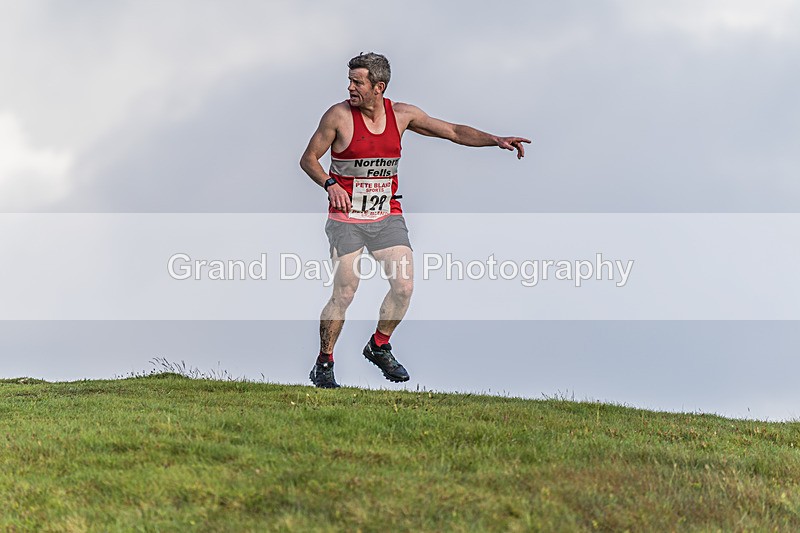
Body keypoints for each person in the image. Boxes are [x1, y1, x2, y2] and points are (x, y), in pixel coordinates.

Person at [300, 52, 530, 388]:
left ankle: (379, 346)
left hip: (386, 214)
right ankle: (324, 362)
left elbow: (452, 130)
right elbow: (308, 159)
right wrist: (329, 183)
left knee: (404, 286)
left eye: (357, 82)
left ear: (378, 87)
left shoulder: (403, 115)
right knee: (346, 291)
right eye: (349, 80)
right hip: (345, 217)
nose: (349, 87)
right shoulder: (338, 116)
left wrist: (494, 140)